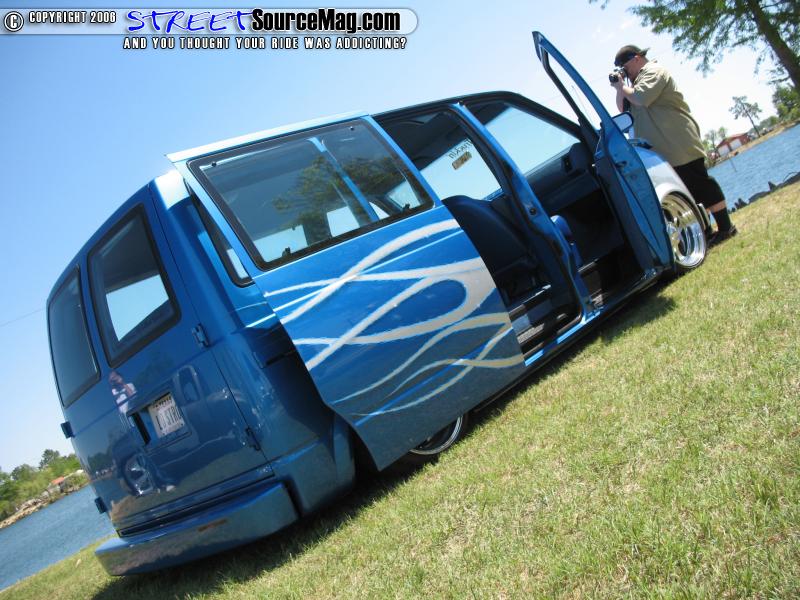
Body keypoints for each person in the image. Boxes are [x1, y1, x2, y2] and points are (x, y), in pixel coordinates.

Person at [610, 44, 738, 244]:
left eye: (625, 67)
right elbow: (622, 108)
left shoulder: (653, 71)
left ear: (636, 58)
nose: (624, 72)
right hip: (662, 150)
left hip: (677, 141)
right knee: (686, 193)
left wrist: (622, 87)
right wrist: (620, 87)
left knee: (700, 183)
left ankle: (726, 227)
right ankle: (706, 233)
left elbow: (641, 98)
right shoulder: (631, 86)